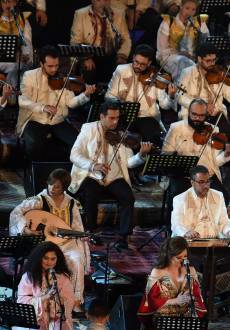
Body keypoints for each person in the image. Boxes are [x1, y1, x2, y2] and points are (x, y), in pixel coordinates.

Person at [69, 101, 153, 250]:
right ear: (102, 116)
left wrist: (141, 155)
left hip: (114, 177)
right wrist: (93, 165)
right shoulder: (88, 129)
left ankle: (123, 236)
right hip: (92, 175)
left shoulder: (121, 134)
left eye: (117, 118)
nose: (115, 122)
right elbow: (74, 155)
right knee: (90, 193)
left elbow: (128, 163)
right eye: (111, 118)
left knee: (128, 197)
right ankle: (92, 231)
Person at [9, 168, 90, 311]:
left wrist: (81, 236)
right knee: (47, 259)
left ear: (64, 187)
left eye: (57, 186)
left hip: (67, 242)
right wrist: (25, 229)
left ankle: (75, 301)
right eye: (50, 184)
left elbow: (77, 227)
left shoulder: (71, 204)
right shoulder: (40, 200)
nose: (52, 188)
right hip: (46, 243)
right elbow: (16, 212)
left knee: (77, 259)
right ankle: (45, 298)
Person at [8, 241, 75, 330]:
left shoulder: (62, 278)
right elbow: (22, 300)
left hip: (56, 319)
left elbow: (69, 301)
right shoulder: (29, 276)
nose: (49, 262)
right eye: (46, 258)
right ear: (39, 258)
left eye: (53, 259)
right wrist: (43, 299)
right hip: (34, 320)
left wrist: (58, 302)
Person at [17, 45, 95, 162]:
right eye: (50, 66)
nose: (54, 69)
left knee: (77, 143)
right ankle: (35, 171)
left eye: (56, 66)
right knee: (33, 144)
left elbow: (71, 103)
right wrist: (43, 107)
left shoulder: (63, 78)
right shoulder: (29, 76)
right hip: (35, 119)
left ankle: (62, 172)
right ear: (41, 64)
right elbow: (22, 101)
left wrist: (85, 95)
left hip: (58, 121)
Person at [106, 44, 177, 146]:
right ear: (133, 57)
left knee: (151, 139)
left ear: (149, 63)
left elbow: (164, 105)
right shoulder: (121, 70)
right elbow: (109, 96)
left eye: (143, 64)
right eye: (136, 62)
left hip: (147, 117)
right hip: (124, 115)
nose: (138, 66)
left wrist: (171, 96)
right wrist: (121, 104)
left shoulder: (155, 76)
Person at [177, 43, 230, 137]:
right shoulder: (187, 73)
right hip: (194, 116)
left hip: (216, 114)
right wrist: (203, 106)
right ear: (199, 59)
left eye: (214, 60)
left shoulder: (219, 73)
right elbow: (180, 96)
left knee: (227, 137)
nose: (212, 64)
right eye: (208, 61)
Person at [162, 99, 230, 203]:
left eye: (201, 116)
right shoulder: (176, 128)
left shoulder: (213, 129)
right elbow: (165, 155)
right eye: (194, 114)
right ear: (188, 112)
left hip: (207, 176)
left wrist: (226, 155)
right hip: (184, 176)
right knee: (179, 201)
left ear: (206, 115)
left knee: (223, 199)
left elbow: (216, 161)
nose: (197, 118)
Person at [70, 0, 132, 84]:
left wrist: (122, 56)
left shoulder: (118, 14)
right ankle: (89, 95)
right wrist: (85, 57)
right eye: (99, 0)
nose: (103, 3)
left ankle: (112, 95)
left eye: (106, 0)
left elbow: (126, 39)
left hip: (112, 55)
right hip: (90, 54)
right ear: (93, 1)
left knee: (121, 68)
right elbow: (75, 42)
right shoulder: (81, 14)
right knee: (88, 68)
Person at [171, 165, 230, 239]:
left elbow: (224, 220)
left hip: (214, 241)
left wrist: (229, 231)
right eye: (201, 182)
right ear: (192, 182)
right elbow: (176, 224)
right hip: (191, 242)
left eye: (208, 181)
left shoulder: (218, 195)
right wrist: (186, 233)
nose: (206, 186)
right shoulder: (180, 199)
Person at [156, 0, 208, 80]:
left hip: (193, 58)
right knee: (183, 62)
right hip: (170, 57)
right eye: (187, 8)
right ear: (181, 7)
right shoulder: (169, 21)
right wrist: (179, 53)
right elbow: (162, 50)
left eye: (193, 10)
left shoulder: (199, 23)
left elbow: (206, 43)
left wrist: (199, 32)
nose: (189, 12)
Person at [0, 0, 33, 88]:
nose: (7, 5)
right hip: (1, 62)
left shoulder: (22, 19)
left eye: (10, 1)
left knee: (20, 65)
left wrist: (25, 55)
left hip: (18, 61)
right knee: (14, 66)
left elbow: (27, 42)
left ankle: (14, 95)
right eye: (4, 2)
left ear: (16, 2)